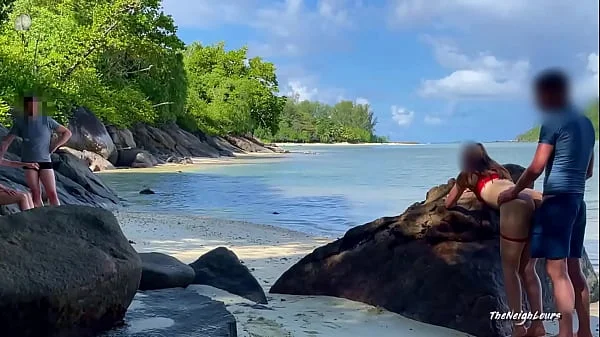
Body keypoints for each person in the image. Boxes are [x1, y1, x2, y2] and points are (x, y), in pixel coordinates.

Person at [498, 69, 596, 337]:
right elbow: (589, 172)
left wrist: (514, 191)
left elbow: (536, 168)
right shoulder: (587, 124)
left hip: (557, 205)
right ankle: (584, 331)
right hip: (578, 203)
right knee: (574, 269)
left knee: (556, 271)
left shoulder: (553, 121)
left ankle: (564, 332)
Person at [445, 142, 545, 337]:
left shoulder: (466, 175)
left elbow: (449, 203)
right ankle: (539, 325)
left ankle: (519, 327)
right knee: (528, 270)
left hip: (514, 205)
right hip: (535, 198)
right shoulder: (500, 170)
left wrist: (467, 190)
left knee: (510, 270)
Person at [0, 95, 72, 207]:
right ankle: (40, 218)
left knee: (52, 193)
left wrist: (54, 146)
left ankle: (58, 214)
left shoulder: (46, 120)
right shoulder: (20, 122)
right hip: (28, 161)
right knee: (35, 193)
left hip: (45, 160)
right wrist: (1, 154)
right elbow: (7, 141)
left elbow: (67, 133)